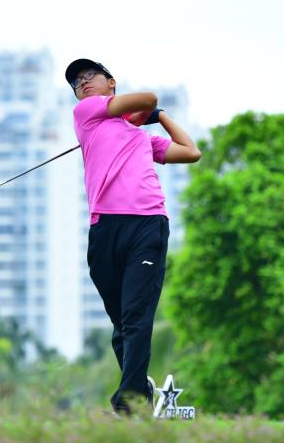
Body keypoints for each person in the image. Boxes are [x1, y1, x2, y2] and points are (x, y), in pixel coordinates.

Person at [66, 58, 202, 415]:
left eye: (89, 76)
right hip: (105, 228)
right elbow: (145, 99)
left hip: (147, 225)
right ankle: (141, 390)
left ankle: (129, 402)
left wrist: (160, 117)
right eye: (76, 82)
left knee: (137, 316)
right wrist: (141, 113)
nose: (82, 83)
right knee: (123, 323)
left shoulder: (142, 138)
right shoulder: (87, 114)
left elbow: (191, 151)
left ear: (111, 82)